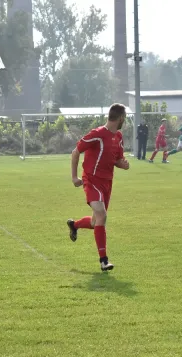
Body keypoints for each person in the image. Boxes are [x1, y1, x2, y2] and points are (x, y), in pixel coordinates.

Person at [66, 103, 130, 271]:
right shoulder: (98, 134)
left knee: (96, 222)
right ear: (121, 118)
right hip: (92, 180)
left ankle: (75, 225)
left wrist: (122, 164)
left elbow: (116, 159)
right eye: (125, 118)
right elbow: (75, 152)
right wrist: (74, 177)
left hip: (107, 183)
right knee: (102, 215)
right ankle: (104, 261)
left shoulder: (119, 137)